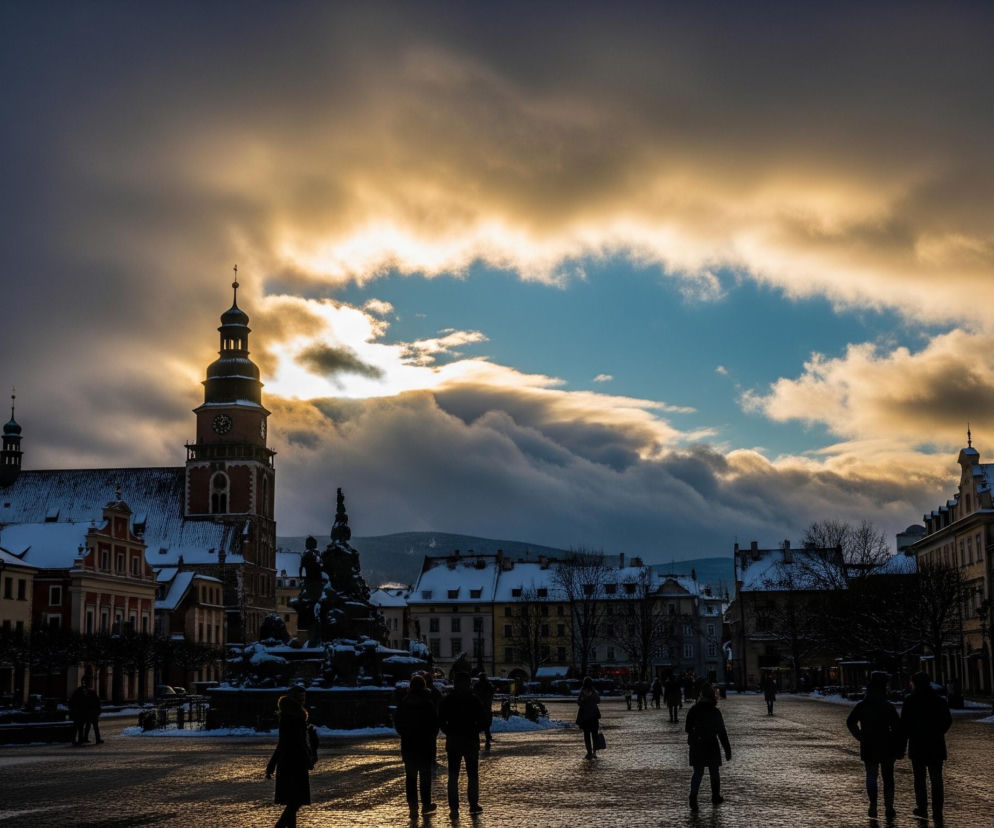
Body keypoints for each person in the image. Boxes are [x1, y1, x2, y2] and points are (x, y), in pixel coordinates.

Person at [846, 671, 905, 819]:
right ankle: (889, 807)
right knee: (888, 778)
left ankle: (873, 804)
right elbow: (898, 728)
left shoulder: (863, 705)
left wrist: (860, 736)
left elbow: (850, 722)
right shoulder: (888, 706)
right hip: (887, 745)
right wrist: (898, 744)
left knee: (871, 776)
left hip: (869, 745)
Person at [902, 672, 952, 824]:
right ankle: (937, 808)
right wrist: (937, 732)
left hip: (918, 745)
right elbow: (947, 721)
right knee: (936, 778)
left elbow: (904, 724)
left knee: (920, 778)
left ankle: (922, 806)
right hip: (936, 744)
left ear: (914, 684)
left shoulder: (910, 701)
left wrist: (908, 737)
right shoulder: (939, 700)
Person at [438, 672, 487, 818]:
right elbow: (483, 720)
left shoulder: (448, 699)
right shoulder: (474, 699)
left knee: (453, 776)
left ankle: (454, 808)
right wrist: (475, 729)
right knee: (472, 775)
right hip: (470, 740)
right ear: (468, 683)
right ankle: (473, 805)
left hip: (454, 741)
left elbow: (441, 720)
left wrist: (449, 731)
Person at [265, 685, 314, 828]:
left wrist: (271, 765)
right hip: (294, 763)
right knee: (295, 802)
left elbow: (283, 743)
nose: (303, 700)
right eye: (301, 697)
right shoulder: (293, 717)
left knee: (294, 801)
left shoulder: (291, 715)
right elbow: (289, 742)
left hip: (290, 762)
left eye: (304, 697)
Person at [395, 675, 439, 818]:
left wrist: (406, 734)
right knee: (425, 777)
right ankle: (426, 804)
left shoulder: (405, 702)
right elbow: (434, 724)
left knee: (411, 778)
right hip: (425, 745)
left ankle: (412, 807)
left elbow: (398, 723)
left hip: (409, 745)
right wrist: (431, 737)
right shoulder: (427, 703)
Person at [685, 683, 731, 811]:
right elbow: (722, 732)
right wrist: (727, 750)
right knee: (714, 772)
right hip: (711, 744)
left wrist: (696, 733)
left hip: (697, 744)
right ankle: (715, 796)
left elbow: (687, 728)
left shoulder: (693, 710)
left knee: (698, 773)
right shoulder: (715, 711)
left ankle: (693, 797)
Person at [575, 676, 601, 759]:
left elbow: (579, 703)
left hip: (585, 717)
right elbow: (598, 701)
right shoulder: (594, 692)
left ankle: (589, 752)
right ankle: (594, 752)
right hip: (593, 717)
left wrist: (583, 700)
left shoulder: (582, 692)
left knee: (587, 736)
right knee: (594, 735)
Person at [473, 674, 495, 752]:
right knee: (486, 726)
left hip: (480, 708)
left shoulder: (477, 685)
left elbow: (474, 694)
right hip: (486, 708)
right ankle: (487, 740)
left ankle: (479, 742)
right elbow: (492, 694)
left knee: (478, 726)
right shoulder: (488, 685)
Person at [68, 677, 93, 746]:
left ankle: (79, 740)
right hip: (78, 713)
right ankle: (76, 740)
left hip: (82, 713)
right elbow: (73, 702)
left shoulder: (82, 692)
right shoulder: (79, 692)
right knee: (77, 727)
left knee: (79, 727)